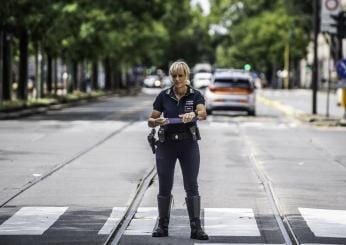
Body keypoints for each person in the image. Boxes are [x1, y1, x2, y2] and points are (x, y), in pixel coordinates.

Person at [148, 61, 209, 240]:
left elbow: (203, 113)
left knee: (191, 185)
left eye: (181, 75)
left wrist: (194, 115)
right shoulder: (163, 96)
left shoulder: (195, 95)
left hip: (188, 144)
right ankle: (162, 226)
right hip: (166, 145)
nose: (177, 79)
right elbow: (150, 120)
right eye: (174, 76)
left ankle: (196, 227)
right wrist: (156, 122)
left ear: (186, 76)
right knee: (164, 185)